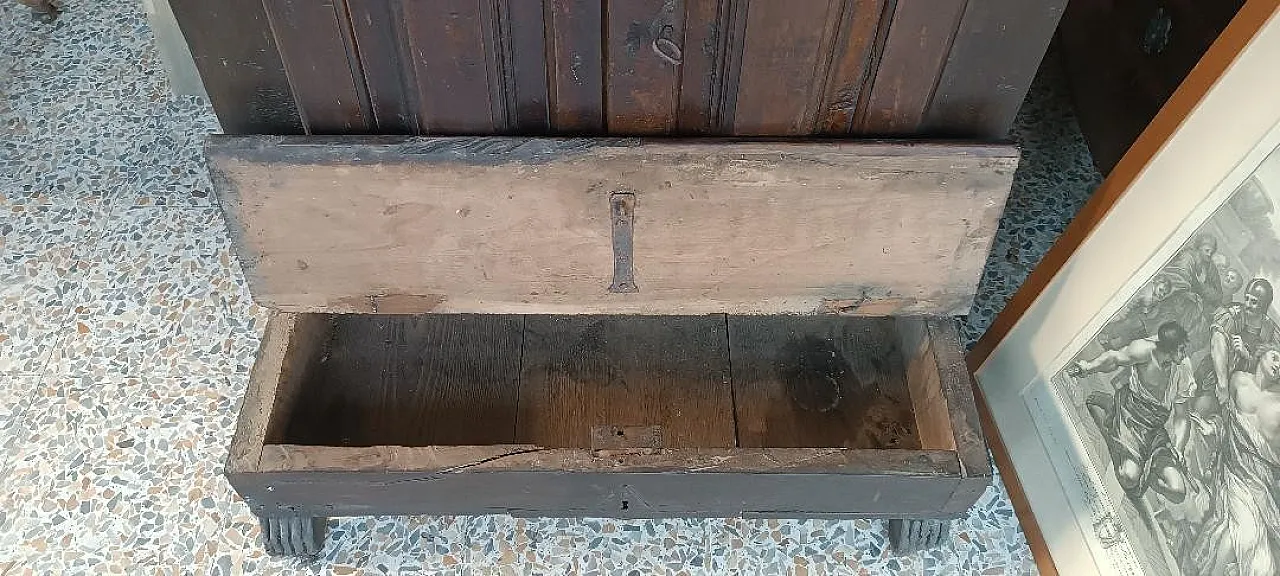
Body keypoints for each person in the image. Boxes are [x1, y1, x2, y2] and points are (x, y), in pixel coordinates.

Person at [1068, 321, 1193, 504]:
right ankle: (1113, 412)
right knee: (1128, 477)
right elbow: (1114, 358)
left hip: (1154, 431)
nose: (1184, 354)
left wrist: (1180, 449)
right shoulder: (1143, 350)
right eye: (1181, 349)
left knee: (1178, 492)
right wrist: (1087, 368)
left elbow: (1182, 415)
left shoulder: (1183, 368)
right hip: (1130, 416)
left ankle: (1145, 467)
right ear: (1169, 349)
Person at [1189, 344, 1280, 576]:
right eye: (1276, 357)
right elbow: (1226, 419)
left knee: (1252, 547)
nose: (1278, 366)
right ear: (1262, 355)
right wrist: (1214, 429)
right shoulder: (1238, 380)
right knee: (1244, 535)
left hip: (1261, 482)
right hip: (1230, 467)